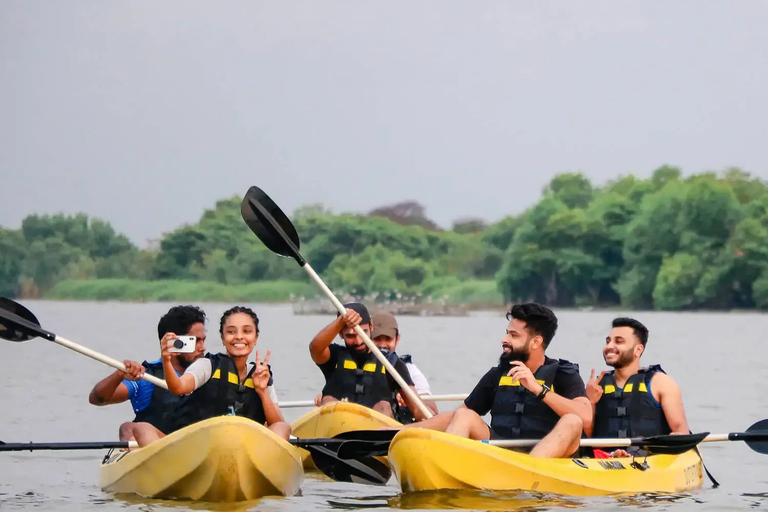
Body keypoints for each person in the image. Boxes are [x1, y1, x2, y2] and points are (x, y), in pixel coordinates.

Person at [400, 303, 592, 458]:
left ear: (536, 342)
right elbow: (457, 416)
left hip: (549, 458)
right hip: (503, 454)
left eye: (513, 335)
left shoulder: (563, 372)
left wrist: (538, 389)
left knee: (572, 421)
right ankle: (444, 464)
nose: (504, 339)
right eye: (507, 333)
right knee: (465, 416)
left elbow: (584, 417)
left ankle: (528, 472)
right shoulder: (498, 374)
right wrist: (402, 430)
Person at [132, 306, 290, 446]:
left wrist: (262, 391)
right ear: (222, 338)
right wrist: (166, 360)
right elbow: (178, 388)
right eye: (231, 332)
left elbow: (277, 424)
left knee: (283, 427)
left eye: (247, 331)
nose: (239, 337)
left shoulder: (262, 374)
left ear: (255, 338)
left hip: (245, 448)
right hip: (199, 445)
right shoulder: (207, 365)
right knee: (142, 428)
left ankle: (262, 466)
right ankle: (165, 471)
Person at [88, 305, 207, 441]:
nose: (202, 348)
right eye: (195, 341)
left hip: (198, 448)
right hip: (160, 450)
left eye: (203, 340)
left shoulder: (210, 372)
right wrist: (119, 375)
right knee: (127, 427)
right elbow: (97, 399)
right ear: (173, 342)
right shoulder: (146, 378)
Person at [585, 317, 689, 456]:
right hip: (604, 459)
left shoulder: (662, 383)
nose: (609, 346)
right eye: (608, 341)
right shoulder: (596, 385)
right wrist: (590, 402)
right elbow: (587, 436)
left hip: (649, 459)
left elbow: (680, 432)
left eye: (619, 341)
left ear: (638, 350)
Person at [309, 302, 429, 421]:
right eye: (350, 336)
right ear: (341, 333)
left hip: (378, 436)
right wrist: (341, 320)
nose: (359, 341)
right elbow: (315, 348)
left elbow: (418, 409)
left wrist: (432, 421)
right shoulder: (334, 357)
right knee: (328, 400)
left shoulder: (391, 363)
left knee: (383, 406)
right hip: (338, 432)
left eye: (364, 332)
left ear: (371, 326)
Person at [370, 311, 438, 422]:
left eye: (388, 339)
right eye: (377, 339)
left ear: (397, 339)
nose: (382, 345)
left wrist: (408, 400)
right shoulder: (355, 365)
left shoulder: (409, 370)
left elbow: (431, 410)